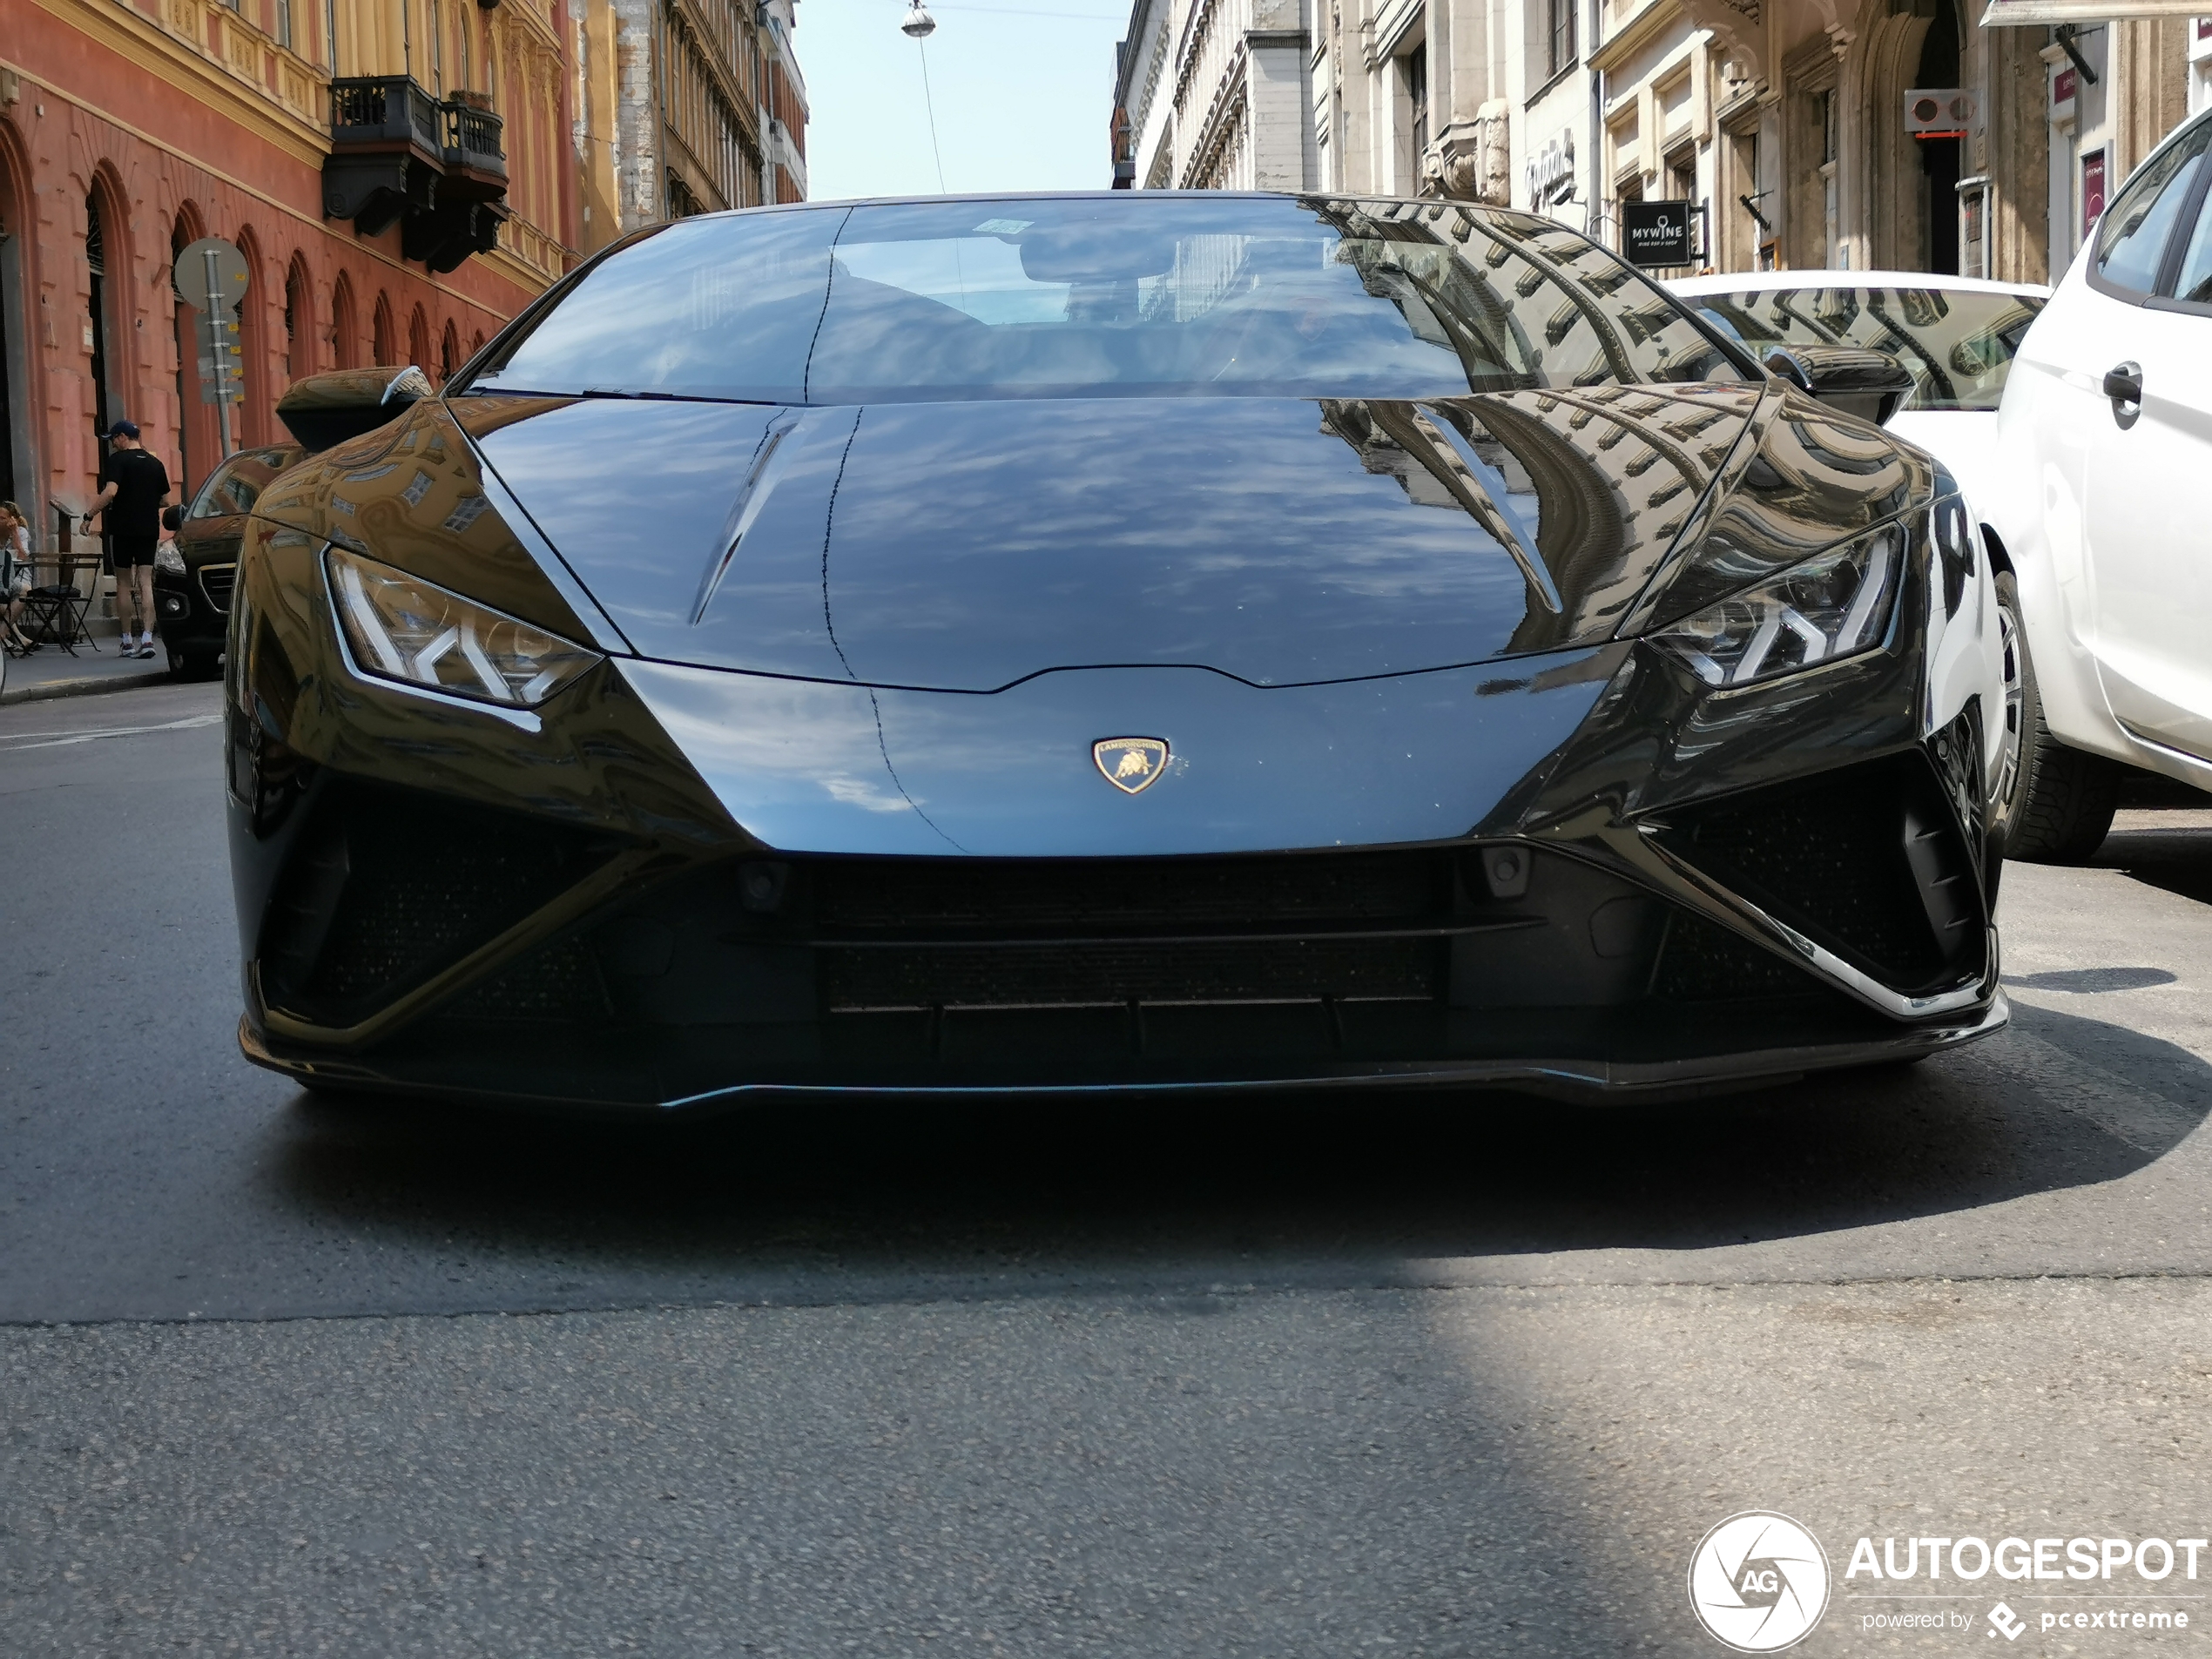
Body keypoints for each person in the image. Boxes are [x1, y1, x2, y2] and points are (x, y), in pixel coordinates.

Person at [82, 419, 174, 660]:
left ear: (123, 437)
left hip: (123, 528)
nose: (113, 444)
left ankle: (126, 641)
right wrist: (144, 501)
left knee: (123, 583)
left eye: (113, 439)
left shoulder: (118, 461)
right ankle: (147, 638)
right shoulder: (156, 463)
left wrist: (89, 516)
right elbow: (165, 500)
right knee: (145, 581)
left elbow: (111, 491)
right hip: (148, 528)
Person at [0, 500, 35, 655]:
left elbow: (23, 558)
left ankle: (2, 634)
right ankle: (15, 637)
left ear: (11, 520)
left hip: (18, 575)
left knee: (25, 591)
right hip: (1, 577)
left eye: (2, 518)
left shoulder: (21, 532)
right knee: (2, 605)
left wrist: (13, 533)